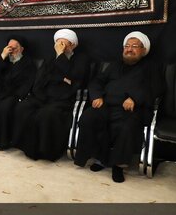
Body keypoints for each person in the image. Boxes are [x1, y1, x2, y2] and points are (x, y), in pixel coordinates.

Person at [74, 32, 163, 183]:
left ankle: (118, 165)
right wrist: (97, 96)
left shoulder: (151, 67)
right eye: (127, 46)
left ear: (143, 50)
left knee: (125, 126)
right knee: (89, 117)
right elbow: (97, 81)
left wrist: (135, 97)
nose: (129, 49)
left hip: (132, 109)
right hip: (106, 104)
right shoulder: (115, 64)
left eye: (135, 46)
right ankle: (100, 158)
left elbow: (157, 88)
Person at [11, 29, 90, 161]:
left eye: (63, 44)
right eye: (58, 44)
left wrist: (60, 57)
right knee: (23, 107)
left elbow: (75, 79)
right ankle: (26, 146)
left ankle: (46, 151)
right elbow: (40, 79)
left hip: (64, 99)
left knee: (46, 114)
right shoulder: (50, 59)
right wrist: (62, 79)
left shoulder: (82, 60)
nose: (60, 47)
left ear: (73, 45)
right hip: (44, 96)